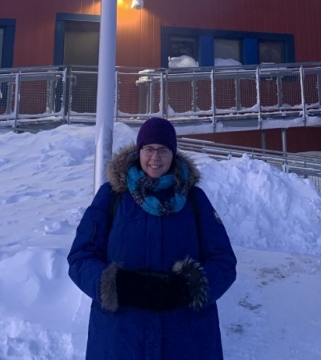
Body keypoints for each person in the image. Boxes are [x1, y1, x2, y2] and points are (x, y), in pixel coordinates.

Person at [68, 117, 237, 360]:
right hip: (121, 341)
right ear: (139, 151)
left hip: (185, 340)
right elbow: (81, 257)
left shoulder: (194, 199)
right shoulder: (112, 196)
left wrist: (190, 287)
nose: (155, 158)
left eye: (163, 150)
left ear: (173, 153)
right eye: (148, 149)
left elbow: (223, 261)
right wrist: (115, 285)